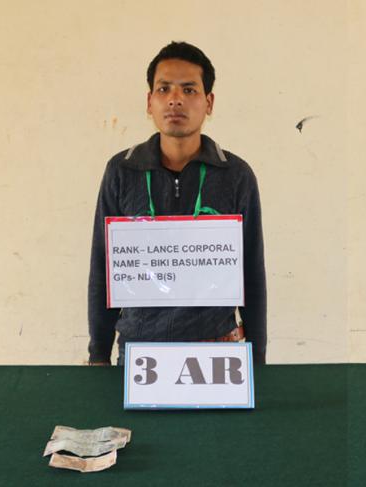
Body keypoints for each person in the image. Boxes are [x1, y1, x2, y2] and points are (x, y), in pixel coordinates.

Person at [88, 42, 267, 365]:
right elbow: (103, 268)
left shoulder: (236, 175)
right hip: (139, 354)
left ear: (209, 102)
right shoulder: (122, 171)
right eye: (164, 89)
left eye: (189, 89)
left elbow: (251, 273)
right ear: (149, 102)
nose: (175, 99)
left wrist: (257, 358)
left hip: (217, 352)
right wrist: (98, 354)